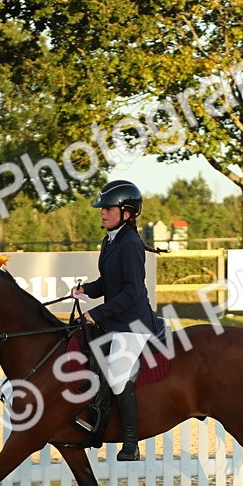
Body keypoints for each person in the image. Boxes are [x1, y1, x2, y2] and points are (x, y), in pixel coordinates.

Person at [71, 179, 156, 461]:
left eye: (108, 208)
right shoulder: (110, 240)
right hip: (115, 321)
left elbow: (132, 293)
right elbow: (108, 283)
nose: (102, 212)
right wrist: (87, 290)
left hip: (133, 324)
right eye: (102, 208)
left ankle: (131, 442)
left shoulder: (130, 244)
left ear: (127, 213)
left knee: (118, 376)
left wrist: (96, 313)